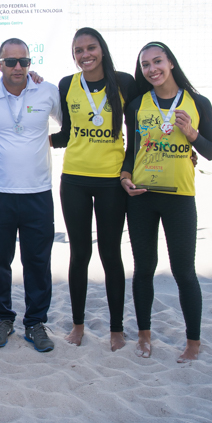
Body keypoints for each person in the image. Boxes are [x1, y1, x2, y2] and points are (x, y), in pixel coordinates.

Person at [119, 42, 212, 363]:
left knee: (183, 272)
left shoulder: (198, 102)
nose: (152, 69)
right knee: (144, 269)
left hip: (179, 199)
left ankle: (193, 342)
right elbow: (131, 153)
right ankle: (144, 336)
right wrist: (124, 177)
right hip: (142, 197)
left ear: (171, 63)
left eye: (157, 61)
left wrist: (190, 133)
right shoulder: (136, 105)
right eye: (145, 65)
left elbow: (211, 151)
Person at [0, 38, 61, 352]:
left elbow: (71, 125)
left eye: (24, 61)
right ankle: (2, 319)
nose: (18, 67)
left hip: (38, 192)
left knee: (38, 261)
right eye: (11, 62)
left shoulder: (47, 91)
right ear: (0, 65)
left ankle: (35, 323)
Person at [50, 28, 137, 351]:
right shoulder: (67, 84)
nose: (85, 55)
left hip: (111, 182)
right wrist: (32, 140)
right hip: (74, 180)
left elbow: (139, 133)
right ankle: (78, 325)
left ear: (102, 49)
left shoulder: (124, 82)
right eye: (78, 50)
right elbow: (66, 135)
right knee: (80, 253)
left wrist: (128, 169)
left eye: (90, 48)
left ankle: (116, 329)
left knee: (110, 254)